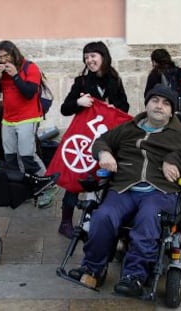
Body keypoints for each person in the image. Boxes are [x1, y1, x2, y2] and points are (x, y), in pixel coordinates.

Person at [67, 84, 181, 296]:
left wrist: (175, 160)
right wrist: (104, 153)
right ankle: (92, 268)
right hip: (124, 187)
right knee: (102, 216)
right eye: (155, 101)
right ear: (147, 103)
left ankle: (134, 276)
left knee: (148, 218)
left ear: (172, 111)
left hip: (160, 190)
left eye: (165, 103)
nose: (159, 106)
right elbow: (101, 141)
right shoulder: (128, 128)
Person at [58, 41, 129, 238]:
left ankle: (100, 219)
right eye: (86, 57)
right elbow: (65, 108)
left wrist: (114, 107)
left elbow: (125, 106)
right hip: (85, 138)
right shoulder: (81, 82)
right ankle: (65, 222)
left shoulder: (115, 80)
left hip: (108, 138)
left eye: (93, 56)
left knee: (106, 177)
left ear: (103, 57)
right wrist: (79, 103)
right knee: (77, 178)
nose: (89, 60)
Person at [0, 40, 43, 175]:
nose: (3, 60)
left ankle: (46, 182)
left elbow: (29, 93)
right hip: (8, 119)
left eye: (6, 56)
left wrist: (16, 76)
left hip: (28, 118)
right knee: (10, 156)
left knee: (27, 156)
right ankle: (18, 187)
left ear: (14, 54)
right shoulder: (0, 73)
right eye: (0, 57)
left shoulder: (30, 67)